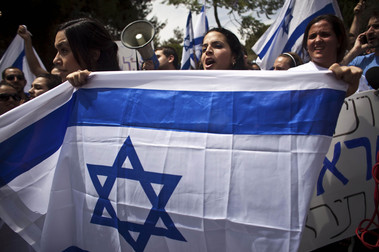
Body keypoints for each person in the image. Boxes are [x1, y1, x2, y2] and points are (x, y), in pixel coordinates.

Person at [289, 14, 362, 97]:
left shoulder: (357, 78)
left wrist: (351, 87)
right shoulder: (292, 75)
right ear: (307, 45)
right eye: (312, 36)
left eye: (325, 34)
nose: (317, 40)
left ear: (339, 41)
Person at [53, 17, 120, 83]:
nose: (55, 60)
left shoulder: (126, 90)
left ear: (93, 55)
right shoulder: (56, 91)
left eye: (64, 50)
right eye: (57, 51)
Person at [341, 11, 379, 76]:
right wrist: (355, 50)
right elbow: (334, 74)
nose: (369, 32)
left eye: (376, 26)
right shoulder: (360, 61)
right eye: (368, 28)